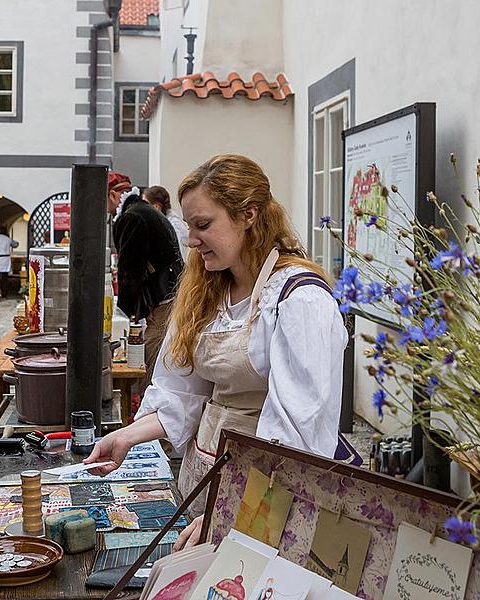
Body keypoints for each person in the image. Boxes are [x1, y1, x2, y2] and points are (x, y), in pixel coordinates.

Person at [88, 155, 346, 549]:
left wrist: (231, 513)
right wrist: (128, 435)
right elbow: (183, 391)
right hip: (209, 480)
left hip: (268, 498)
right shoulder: (208, 290)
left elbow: (296, 435)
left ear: (248, 214)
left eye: (203, 225)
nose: (191, 240)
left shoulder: (299, 299)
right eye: (190, 226)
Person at [108, 172, 184, 391]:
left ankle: (142, 408)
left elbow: (130, 269)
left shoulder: (132, 217)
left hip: (163, 297)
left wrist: (125, 311)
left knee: (151, 355)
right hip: (170, 291)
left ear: (114, 195)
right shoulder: (142, 211)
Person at [145, 185, 189, 262]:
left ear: (156, 206)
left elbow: (177, 258)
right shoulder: (162, 224)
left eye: (145, 204)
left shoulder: (173, 226)